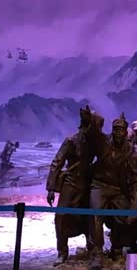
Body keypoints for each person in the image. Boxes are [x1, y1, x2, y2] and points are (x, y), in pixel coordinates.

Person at [87, 113, 137, 269]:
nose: (118, 134)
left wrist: (134, 204)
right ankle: (97, 253)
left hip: (118, 188)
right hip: (99, 185)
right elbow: (93, 134)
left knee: (125, 217)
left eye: (121, 130)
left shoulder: (132, 152)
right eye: (115, 130)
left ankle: (117, 246)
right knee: (96, 215)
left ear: (126, 132)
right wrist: (93, 120)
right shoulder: (104, 142)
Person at [46, 106, 102, 264]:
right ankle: (62, 251)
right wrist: (51, 188)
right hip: (71, 183)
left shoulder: (95, 142)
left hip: (88, 182)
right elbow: (57, 162)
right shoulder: (71, 140)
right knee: (61, 216)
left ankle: (92, 249)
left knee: (90, 217)